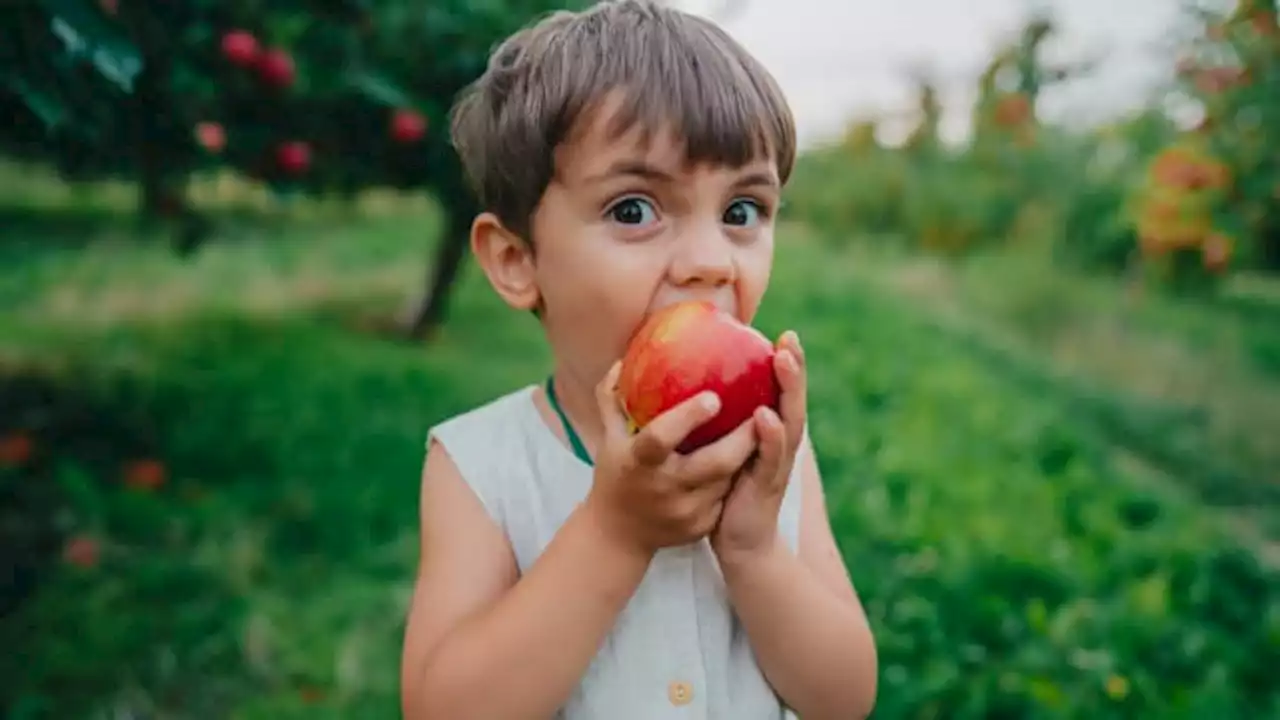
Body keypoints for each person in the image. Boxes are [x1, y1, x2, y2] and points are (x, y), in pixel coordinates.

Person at [399, 1, 878, 718]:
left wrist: (752, 550)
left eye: (742, 212)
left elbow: (845, 698)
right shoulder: (481, 467)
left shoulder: (774, 455)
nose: (710, 262)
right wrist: (614, 534)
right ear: (517, 261)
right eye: (633, 210)